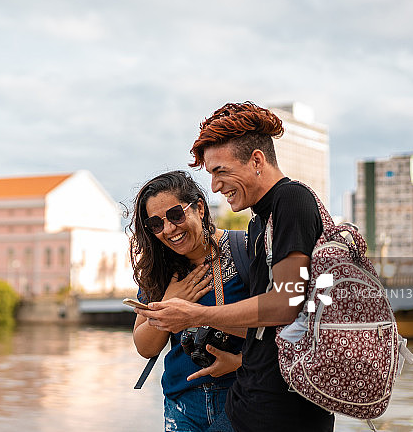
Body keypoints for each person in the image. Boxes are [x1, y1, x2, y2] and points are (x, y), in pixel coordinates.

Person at [135, 102, 335, 432]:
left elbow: (287, 307)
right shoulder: (261, 223)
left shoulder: (290, 202)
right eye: (155, 224)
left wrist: (194, 316)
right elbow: (273, 328)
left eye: (220, 171)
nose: (215, 185)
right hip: (240, 405)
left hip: (279, 410)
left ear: (256, 160)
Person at [129, 171, 249, 432]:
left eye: (176, 215)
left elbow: (281, 327)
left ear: (200, 208)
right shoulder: (158, 269)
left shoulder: (245, 251)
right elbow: (145, 347)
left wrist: (240, 361)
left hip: (242, 395)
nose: (169, 229)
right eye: (156, 224)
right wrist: (170, 301)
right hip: (181, 405)